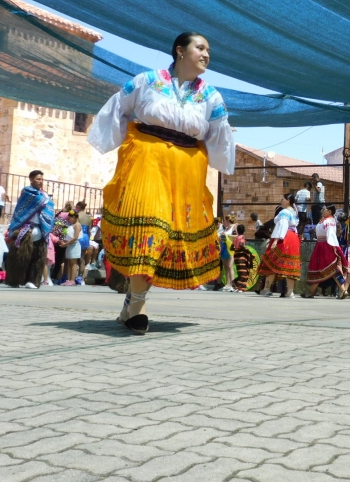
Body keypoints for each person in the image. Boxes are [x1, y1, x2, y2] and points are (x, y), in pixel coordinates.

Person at [88, 32, 235, 334]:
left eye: (209, 49)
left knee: (166, 238)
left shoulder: (212, 97)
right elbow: (120, 106)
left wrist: (219, 162)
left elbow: (218, 135)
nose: (207, 54)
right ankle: (138, 308)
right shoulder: (147, 80)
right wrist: (113, 139)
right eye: (201, 47)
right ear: (180, 51)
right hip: (147, 160)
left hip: (186, 169)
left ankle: (131, 301)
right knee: (150, 227)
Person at [4, 170, 55, 289]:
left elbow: (49, 207)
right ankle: (15, 280)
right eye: (38, 179)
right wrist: (45, 200)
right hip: (25, 229)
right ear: (31, 179)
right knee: (20, 256)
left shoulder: (44, 195)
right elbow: (33, 204)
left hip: (40, 228)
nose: (41, 181)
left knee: (37, 257)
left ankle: (31, 280)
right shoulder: (28, 192)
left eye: (42, 179)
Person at [258, 194, 300, 298]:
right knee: (290, 265)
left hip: (284, 238)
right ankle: (290, 292)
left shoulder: (284, 212)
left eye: (282, 199)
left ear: (288, 200)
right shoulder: (294, 212)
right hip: (294, 239)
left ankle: (266, 289)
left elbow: (282, 225)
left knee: (272, 263)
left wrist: (276, 240)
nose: (281, 201)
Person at [304, 204, 348, 298]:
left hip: (326, 246)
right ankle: (343, 290)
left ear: (330, 212)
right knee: (329, 270)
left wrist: (334, 247)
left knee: (326, 269)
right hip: (321, 245)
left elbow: (331, 234)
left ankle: (311, 291)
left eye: (324, 209)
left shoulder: (329, 221)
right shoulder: (325, 220)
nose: (322, 211)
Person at [59, 209, 81, 286]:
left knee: (73, 263)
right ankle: (69, 279)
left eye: (70, 218)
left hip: (74, 245)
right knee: (69, 263)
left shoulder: (77, 225)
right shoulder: (72, 225)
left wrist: (66, 244)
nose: (69, 220)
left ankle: (72, 280)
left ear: (74, 217)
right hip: (69, 245)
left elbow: (75, 237)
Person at [74, 201, 93, 284]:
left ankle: (73, 277)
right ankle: (80, 277)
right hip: (86, 237)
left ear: (78, 207)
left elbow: (76, 227)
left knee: (74, 258)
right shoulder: (89, 217)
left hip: (79, 236)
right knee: (82, 258)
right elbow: (89, 230)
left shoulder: (77, 215)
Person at [231, 224, 252, 292]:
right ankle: (240, 287)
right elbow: (241, 245)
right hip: (241, 258)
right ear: (244, 230)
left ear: (237, 230)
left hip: (236, 258)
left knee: (240, 273)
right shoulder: (242, 238)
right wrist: (247, 250)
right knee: (244, 273)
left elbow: (231, 248)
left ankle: (237, 287)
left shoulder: (235, 238)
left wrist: (236, 249)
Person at [219, 215, 238, 291]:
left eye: (224, 221)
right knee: (226, 267)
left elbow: (237, 235)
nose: (223, 223)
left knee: (230, 266)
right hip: (224, 248)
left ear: (227, 221)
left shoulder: (234, 226)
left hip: (231, 249)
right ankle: (228, 284)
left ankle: (233, 284)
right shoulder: (226, 228)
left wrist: (228, 235)